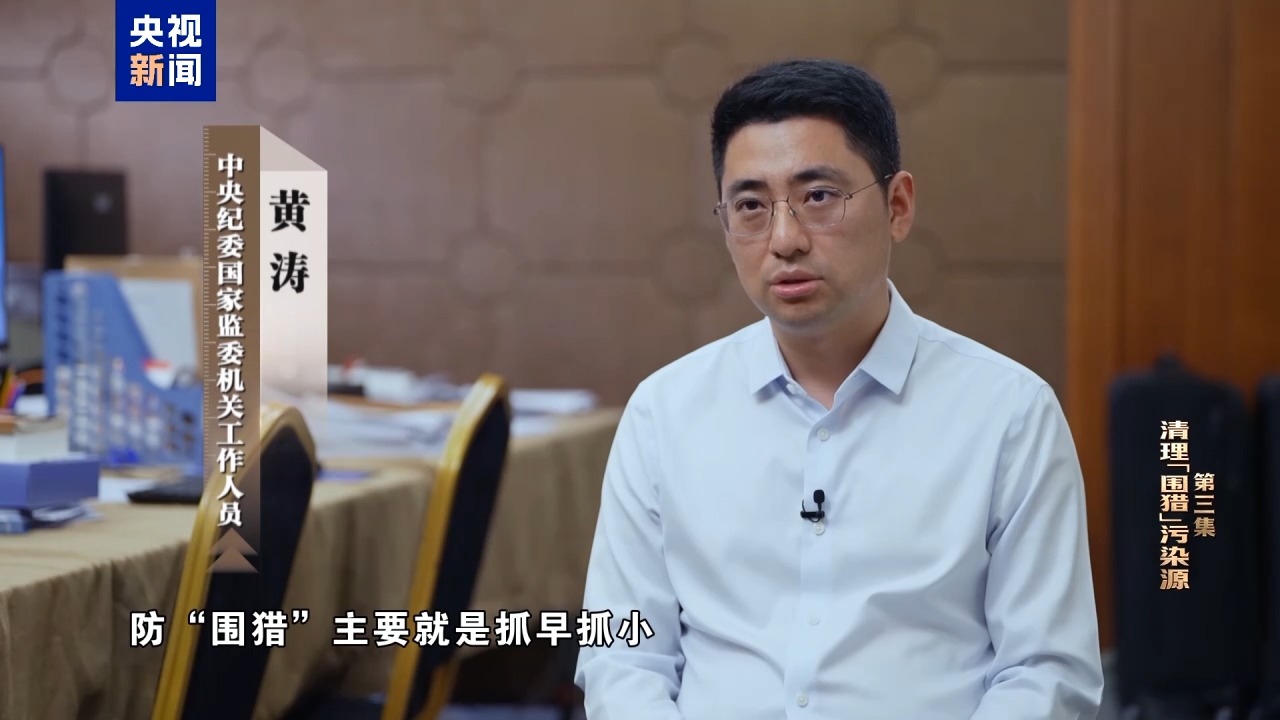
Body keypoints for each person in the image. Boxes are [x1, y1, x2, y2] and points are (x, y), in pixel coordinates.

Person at [574, 58, 1104, 719]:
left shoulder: (1008, 413)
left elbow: (1045, 671)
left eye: (819, 196)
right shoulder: (665, 412)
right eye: (750, 206)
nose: (785, 239)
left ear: (898, 206)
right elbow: (622, 653)